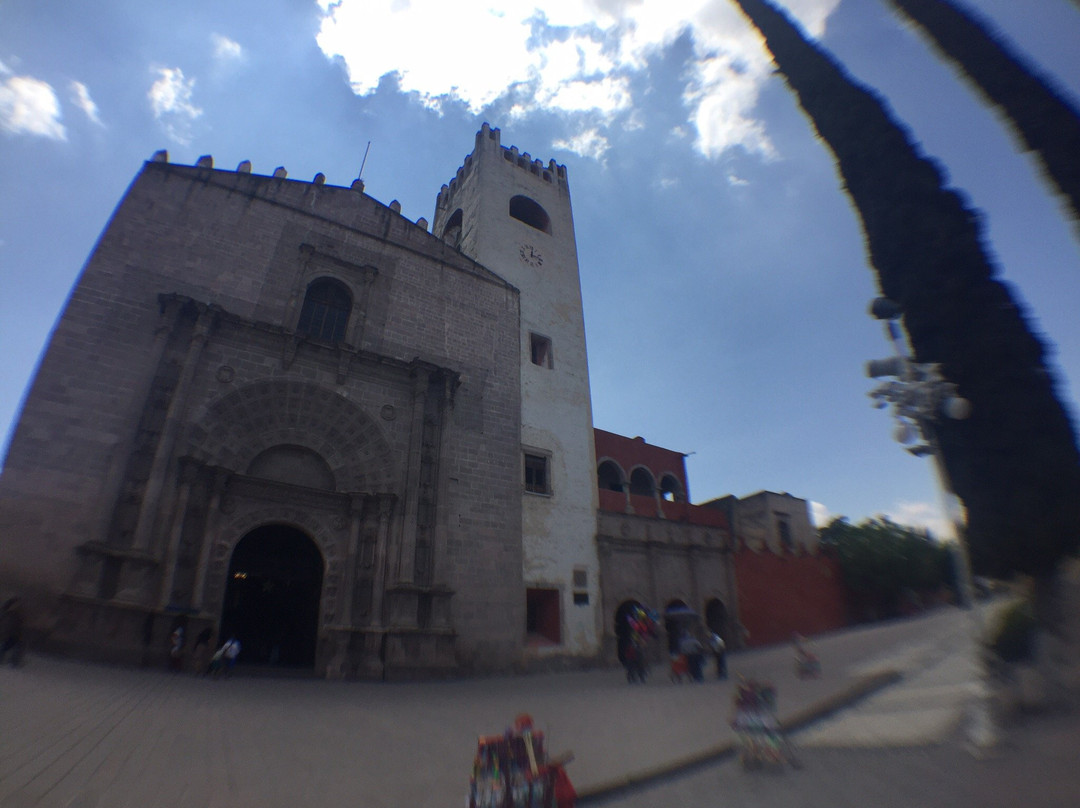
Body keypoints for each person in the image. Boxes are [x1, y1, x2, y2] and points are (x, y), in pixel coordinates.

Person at [0, 597, 25, 667]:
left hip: (10, 634)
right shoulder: (12, 615)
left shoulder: (9, 614)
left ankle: (13, 662)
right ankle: (13, 662)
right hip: (10, 634)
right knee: (7, 645)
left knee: (6, 645)